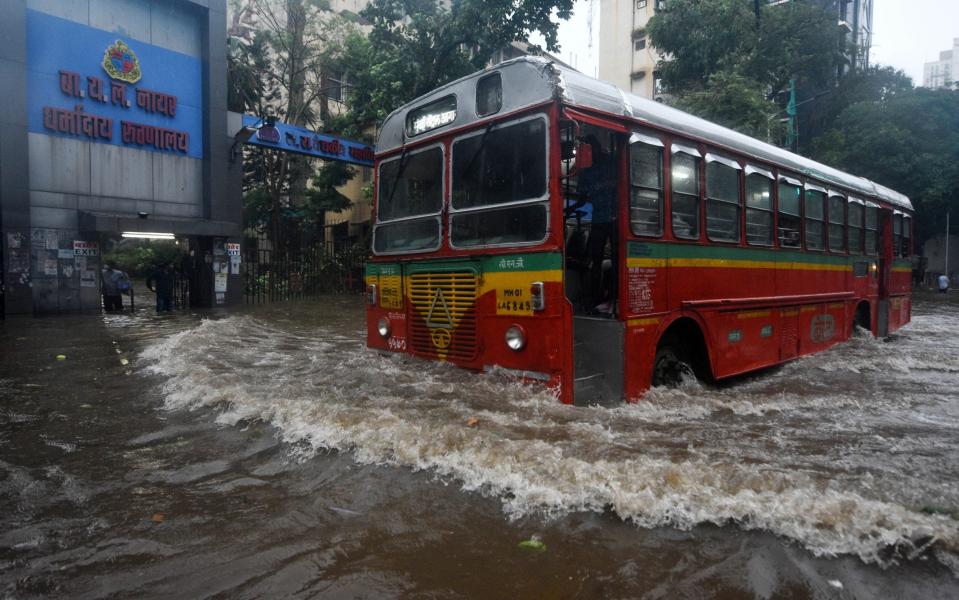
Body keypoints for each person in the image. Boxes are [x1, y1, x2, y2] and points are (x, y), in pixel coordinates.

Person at [578, 135, 618, 314]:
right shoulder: (585, 171)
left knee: (618, 259)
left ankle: (616, 298)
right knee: (594, 260)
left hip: (616, 219)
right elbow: (582, 196)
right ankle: (594, 299)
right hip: (598, 220)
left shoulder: (612, 162)